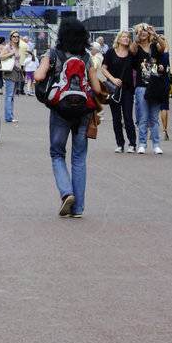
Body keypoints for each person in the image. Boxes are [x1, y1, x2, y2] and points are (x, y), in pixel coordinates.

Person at [33, 17, 97, 217]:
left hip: (60, 109)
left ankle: (66, 192)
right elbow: (96, 87)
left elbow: (38, 77)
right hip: (83, 113)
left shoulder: (53, 54)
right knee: (79, 158)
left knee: (57, 154)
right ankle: (78, 208)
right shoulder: (87, 57)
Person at [135, 26, 168, 155]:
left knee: (154, 118)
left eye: (145, 31)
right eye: (140, 31)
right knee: (143, 117)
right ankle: (142, 144)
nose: (143, 33)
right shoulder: (136, 47)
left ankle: (156, 144)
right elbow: (132, 50)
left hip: (154, 85)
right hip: (141, 85)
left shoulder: (155, 46)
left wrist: (155, 33)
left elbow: (164, 47)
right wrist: (137, 37)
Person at [103, 30, 137, 153]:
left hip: (127, 89)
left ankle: (132, 143)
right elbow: (103, 68)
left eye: (128, 37)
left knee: (128, 117)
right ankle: (120, 143)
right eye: (123, 37)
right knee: (116, 118)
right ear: (118, 39)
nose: (126, 39)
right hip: (114, 89)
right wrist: (112, 79)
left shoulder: (131, 54)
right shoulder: (110, 52)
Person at [0, 32, 21, 124]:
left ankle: (10, 115)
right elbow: (1, 57)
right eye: (14, 36)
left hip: (16, 71)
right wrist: (11, 53)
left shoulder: (17, 47)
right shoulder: (8, 47)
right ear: (10, 38)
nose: (16, 38)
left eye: (17, 36)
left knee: (12, 95)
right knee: (9, 95)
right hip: (10, 72)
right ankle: (8, 117)